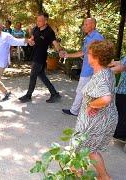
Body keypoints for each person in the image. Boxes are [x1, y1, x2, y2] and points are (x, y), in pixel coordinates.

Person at [74, 40, 117, 179]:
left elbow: (106, 99)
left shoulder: (100, 77)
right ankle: (103, 177)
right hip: (105, 118)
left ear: (97, 57)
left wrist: (92, 105)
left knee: (79, 148)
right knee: (91, 149)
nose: (87, 55)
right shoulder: (107, 71)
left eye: (90, 53)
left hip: (94, 121)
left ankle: (80, 176)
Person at [61, 18, 104, 116]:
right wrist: (67, 55)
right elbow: (83, 53)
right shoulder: (88, 37)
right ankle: (84, 111)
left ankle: (75, 111)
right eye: (83, 24)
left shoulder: (97, 37)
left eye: (86, 24)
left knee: (81, 90)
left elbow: (101, 54)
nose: (83, 26)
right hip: (87, 68)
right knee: (86, 91)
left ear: (93, 25)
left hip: (91, 70)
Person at [18, 12, 63, 103]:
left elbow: (55, 43)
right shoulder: (36, 28)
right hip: (34, 54)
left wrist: (60, 51)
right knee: (42, 76)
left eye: (40, 21)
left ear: (45, 21)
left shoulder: (49, 31)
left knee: (33, 76)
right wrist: (30, 41)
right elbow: (32, 38)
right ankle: (55, 94)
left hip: (41, 57)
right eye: (37, 20)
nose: (38, 22)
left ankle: (28, 95)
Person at [0, 19, 29, 104]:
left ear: (1, 27)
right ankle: (6, 92)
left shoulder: (6, 36)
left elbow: (16, 41)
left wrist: (27, 41)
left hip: (1, 63)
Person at [110, 57, 126, 142]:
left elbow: (122, 67)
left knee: (122, 112)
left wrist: (104, 71)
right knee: (120, 111)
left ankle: (120, 135)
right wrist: (109, 63)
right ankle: (118, 133)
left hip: (124, 91)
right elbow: (121, 62)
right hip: (122, 89)